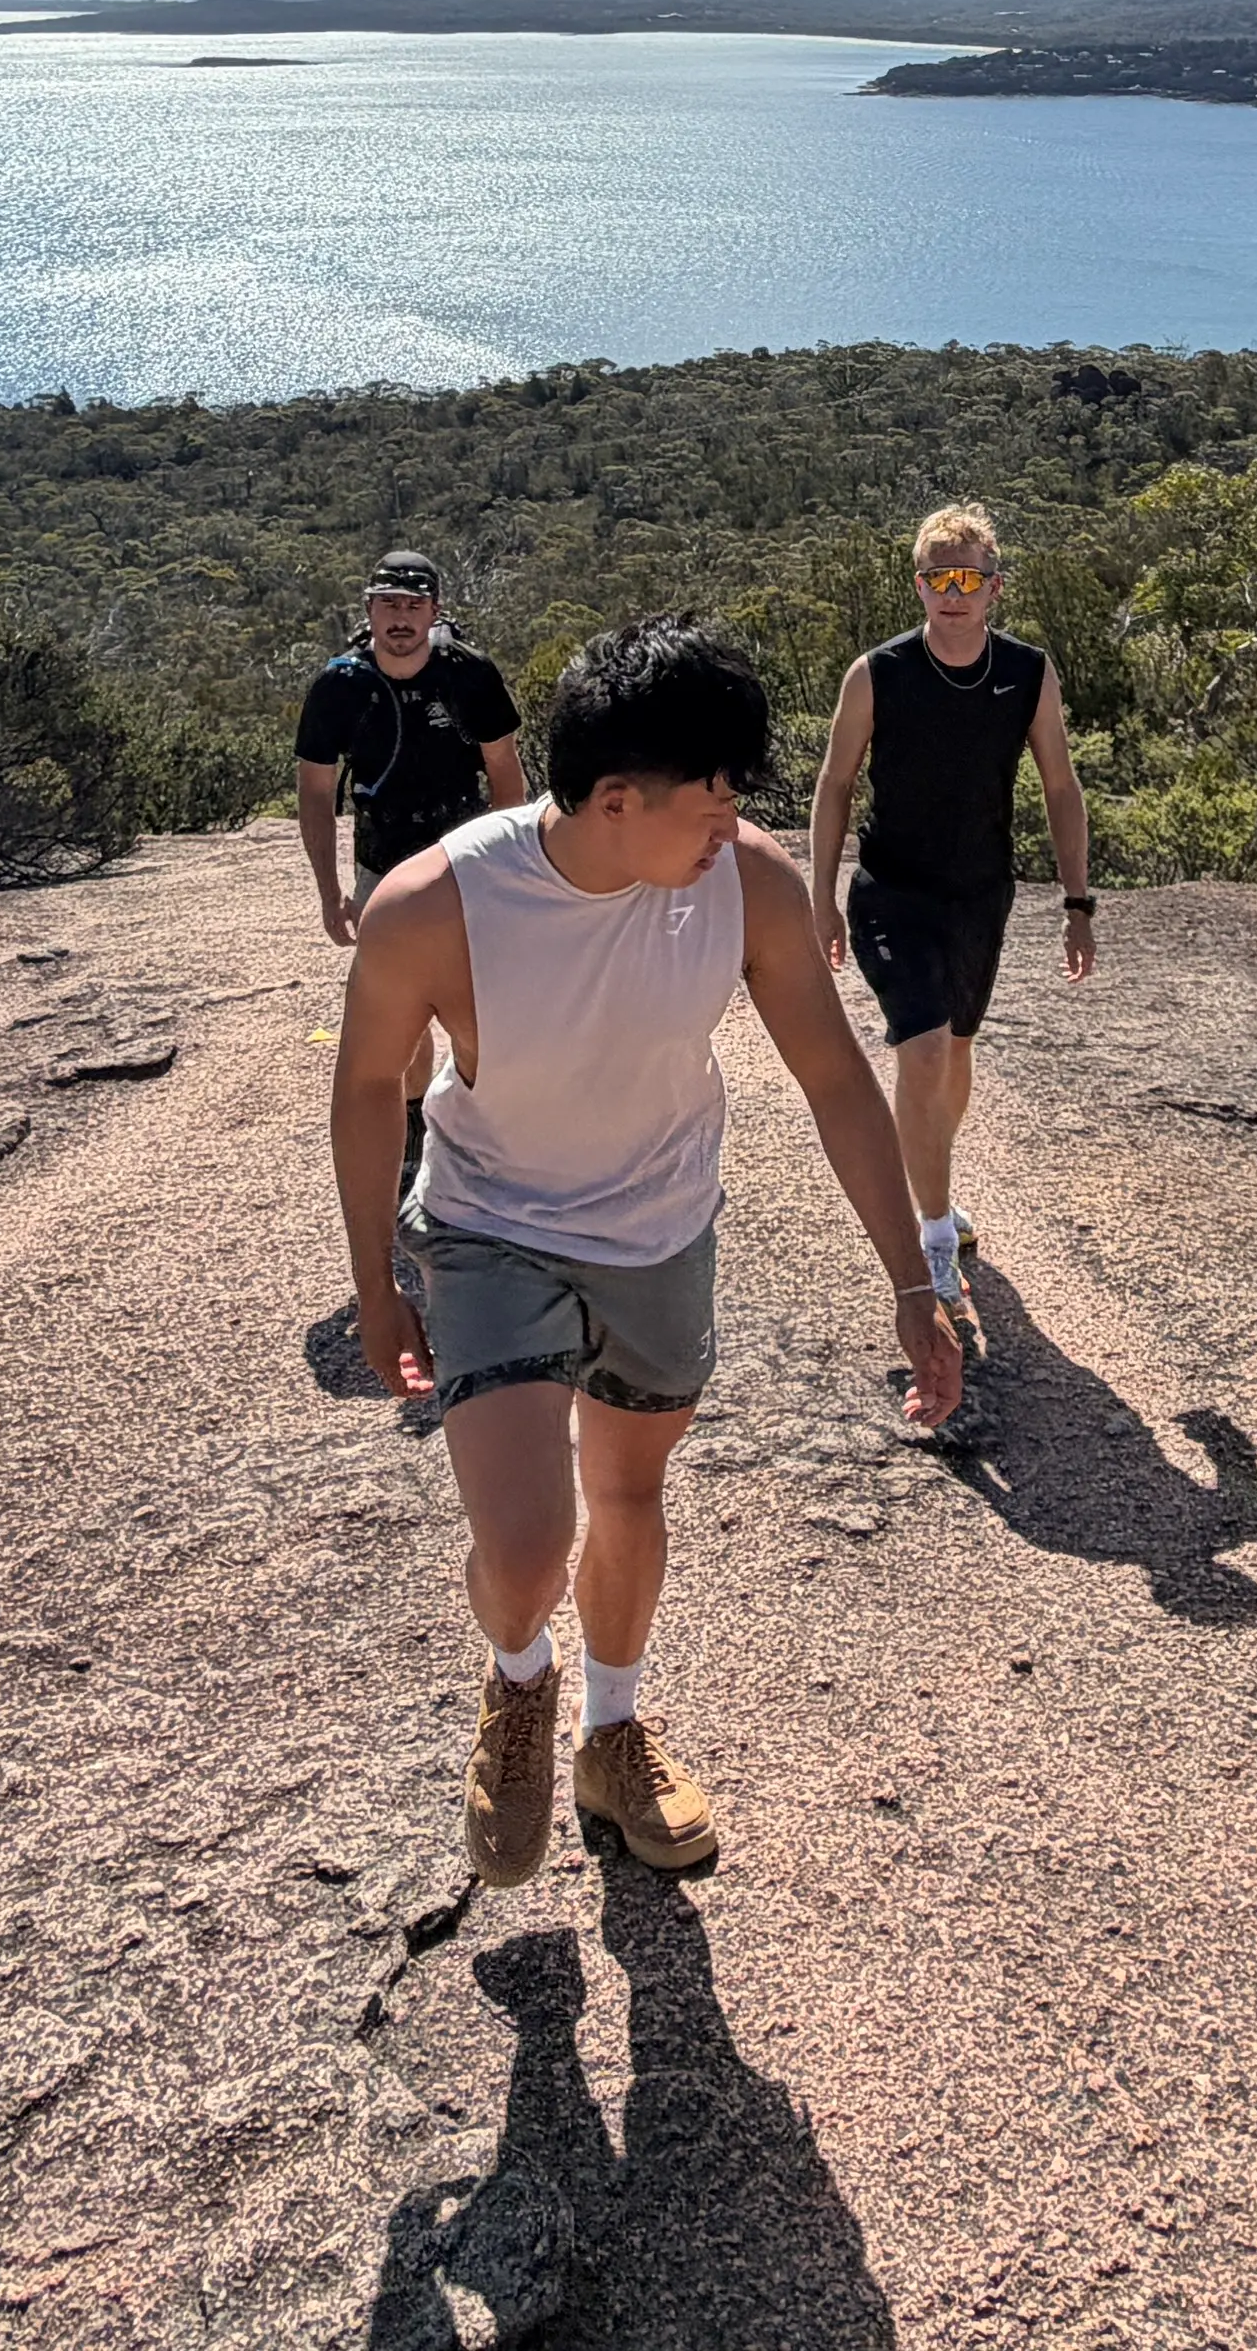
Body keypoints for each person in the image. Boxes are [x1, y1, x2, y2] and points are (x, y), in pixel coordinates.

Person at [334, 617, 964, 1890]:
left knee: (629, 1497)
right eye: (715, 791)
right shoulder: (436, 908)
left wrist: (915, 1282)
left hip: (658, 1233)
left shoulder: (748, 883)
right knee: (522, 1548)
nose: (733, 816)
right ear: (616, 799)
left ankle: (610, 1733)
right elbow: (362, 1091)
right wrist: (373, 1286)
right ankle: (520, 1686)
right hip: (490, 1230)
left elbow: (837, 1078)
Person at [801, 500, 1095, 1310]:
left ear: (995, 587)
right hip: (891, 892)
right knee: (924, 1049)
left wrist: (1078, 901)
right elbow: (834, 785)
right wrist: (820, 897)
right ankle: (931, 1231)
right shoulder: (878, 673)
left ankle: (935, 1181)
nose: (953, 593)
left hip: (979, 893)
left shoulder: (1027, 672)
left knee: (957, 1051)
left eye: (969, 577)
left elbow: (1061, 786)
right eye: (938, 578)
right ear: (920, 585)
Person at [294, 553, 528, 943]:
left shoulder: (470, 674)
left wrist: (503, 869)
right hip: (379, 858)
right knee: (390, 990)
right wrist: (329, 894)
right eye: (389, 603)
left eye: (414, 605)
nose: (401, 618)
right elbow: (315, 792)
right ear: (369, 608)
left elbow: (505, 772)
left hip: (462, 855)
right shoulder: (339, 686)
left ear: (434, 611)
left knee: (468, 985)